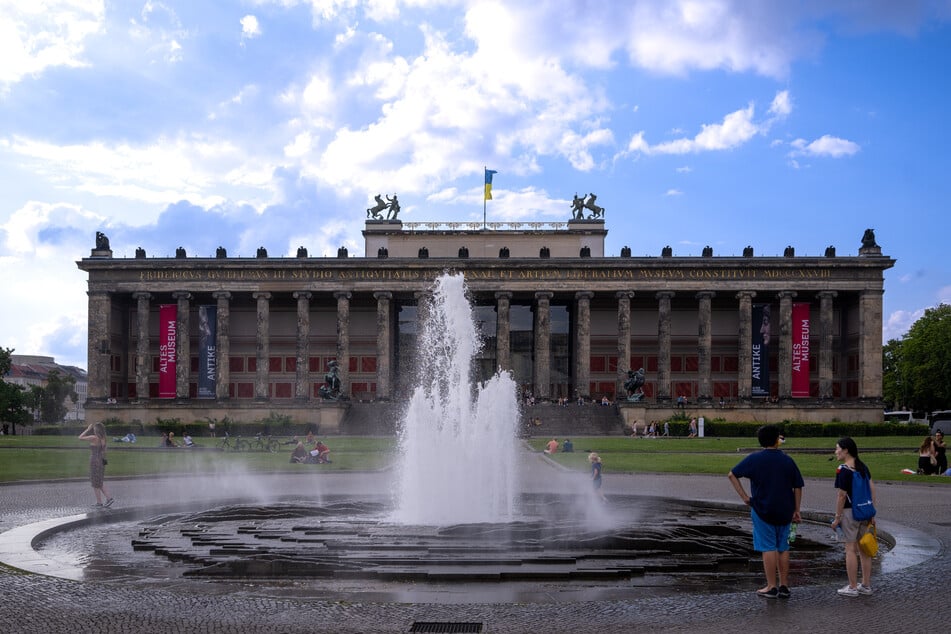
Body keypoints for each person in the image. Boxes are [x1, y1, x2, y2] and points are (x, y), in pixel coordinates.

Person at [728, 424, 804, 599]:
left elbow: (732, 475)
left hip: (762, 508)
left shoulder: (755, 459)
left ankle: (771, 586)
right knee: (783, 547)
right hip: (785, 509)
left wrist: (744, 497)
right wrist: (797, 509)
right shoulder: (787, 460)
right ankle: (784, 586)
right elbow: (798, 486)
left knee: (768, 547)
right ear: (777, 440)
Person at [831, 437, 877, 597]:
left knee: (850, 549)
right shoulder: (863, 467)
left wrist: (837, 517)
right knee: (864, 549)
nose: (835, 451)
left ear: (845, 450)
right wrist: (872, 512)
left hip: (850, 512)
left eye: (837, 448)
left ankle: (852, 587)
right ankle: (866, 585)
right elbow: (872, 489)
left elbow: (841, 496)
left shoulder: (844, 470)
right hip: (865, 511)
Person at [78, 422, 115, 508]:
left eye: (94, 429)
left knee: (95, 482)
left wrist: (87, 429)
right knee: (99, 482)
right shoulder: (104, 439)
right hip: (101, 461)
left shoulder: (94, 438)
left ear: (96, 430)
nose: (93, 430)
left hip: (94, 461)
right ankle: (109, 499)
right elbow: (104, 452)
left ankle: (99, 502)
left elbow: (80, 437)